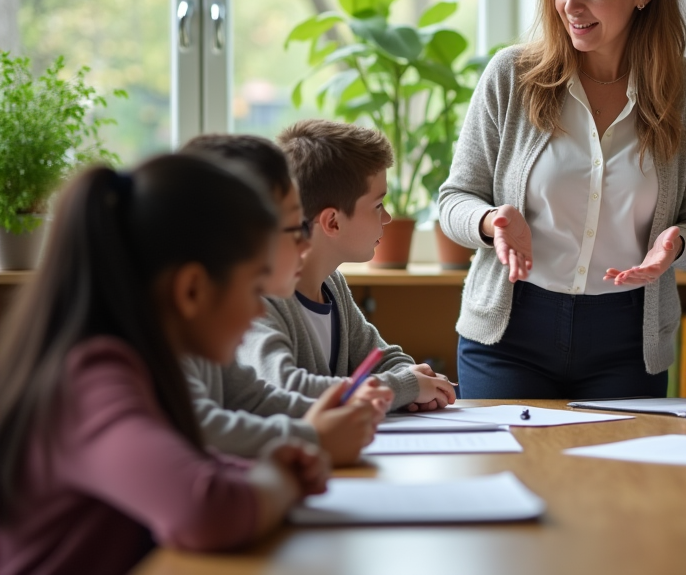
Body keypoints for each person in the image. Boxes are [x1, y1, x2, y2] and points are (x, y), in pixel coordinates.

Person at [439, 0, 686, 398]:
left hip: (627, 339)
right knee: (511, 471)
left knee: (614, 476)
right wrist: (491, 223)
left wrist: (675, 244)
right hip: (510, 332)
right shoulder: (512, 76)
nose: (571, 5)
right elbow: (453, 200)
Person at [0, 156, 328, 575]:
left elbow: (188, 463)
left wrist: (265, 467)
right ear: (192, 290)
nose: (257, 311)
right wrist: (283, 482)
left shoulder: (132, 363)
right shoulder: (91, 380)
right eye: (253, 287)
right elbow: (205, 511)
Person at [180, 134, 386, 465]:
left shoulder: (198, 330)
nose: (306, 244)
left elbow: (254, 398)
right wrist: (316, 437)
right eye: (294, 228)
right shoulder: (146, 341)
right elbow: (199, 437)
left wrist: (344, 413)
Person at [237, 119, 455, 412]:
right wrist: (403, 387)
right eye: (378, 205)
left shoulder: (332, 283)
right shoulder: (259, 296)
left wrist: (417, 382)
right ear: (333, 222)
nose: (388, 218)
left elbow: (380, 359)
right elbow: (285, 387)